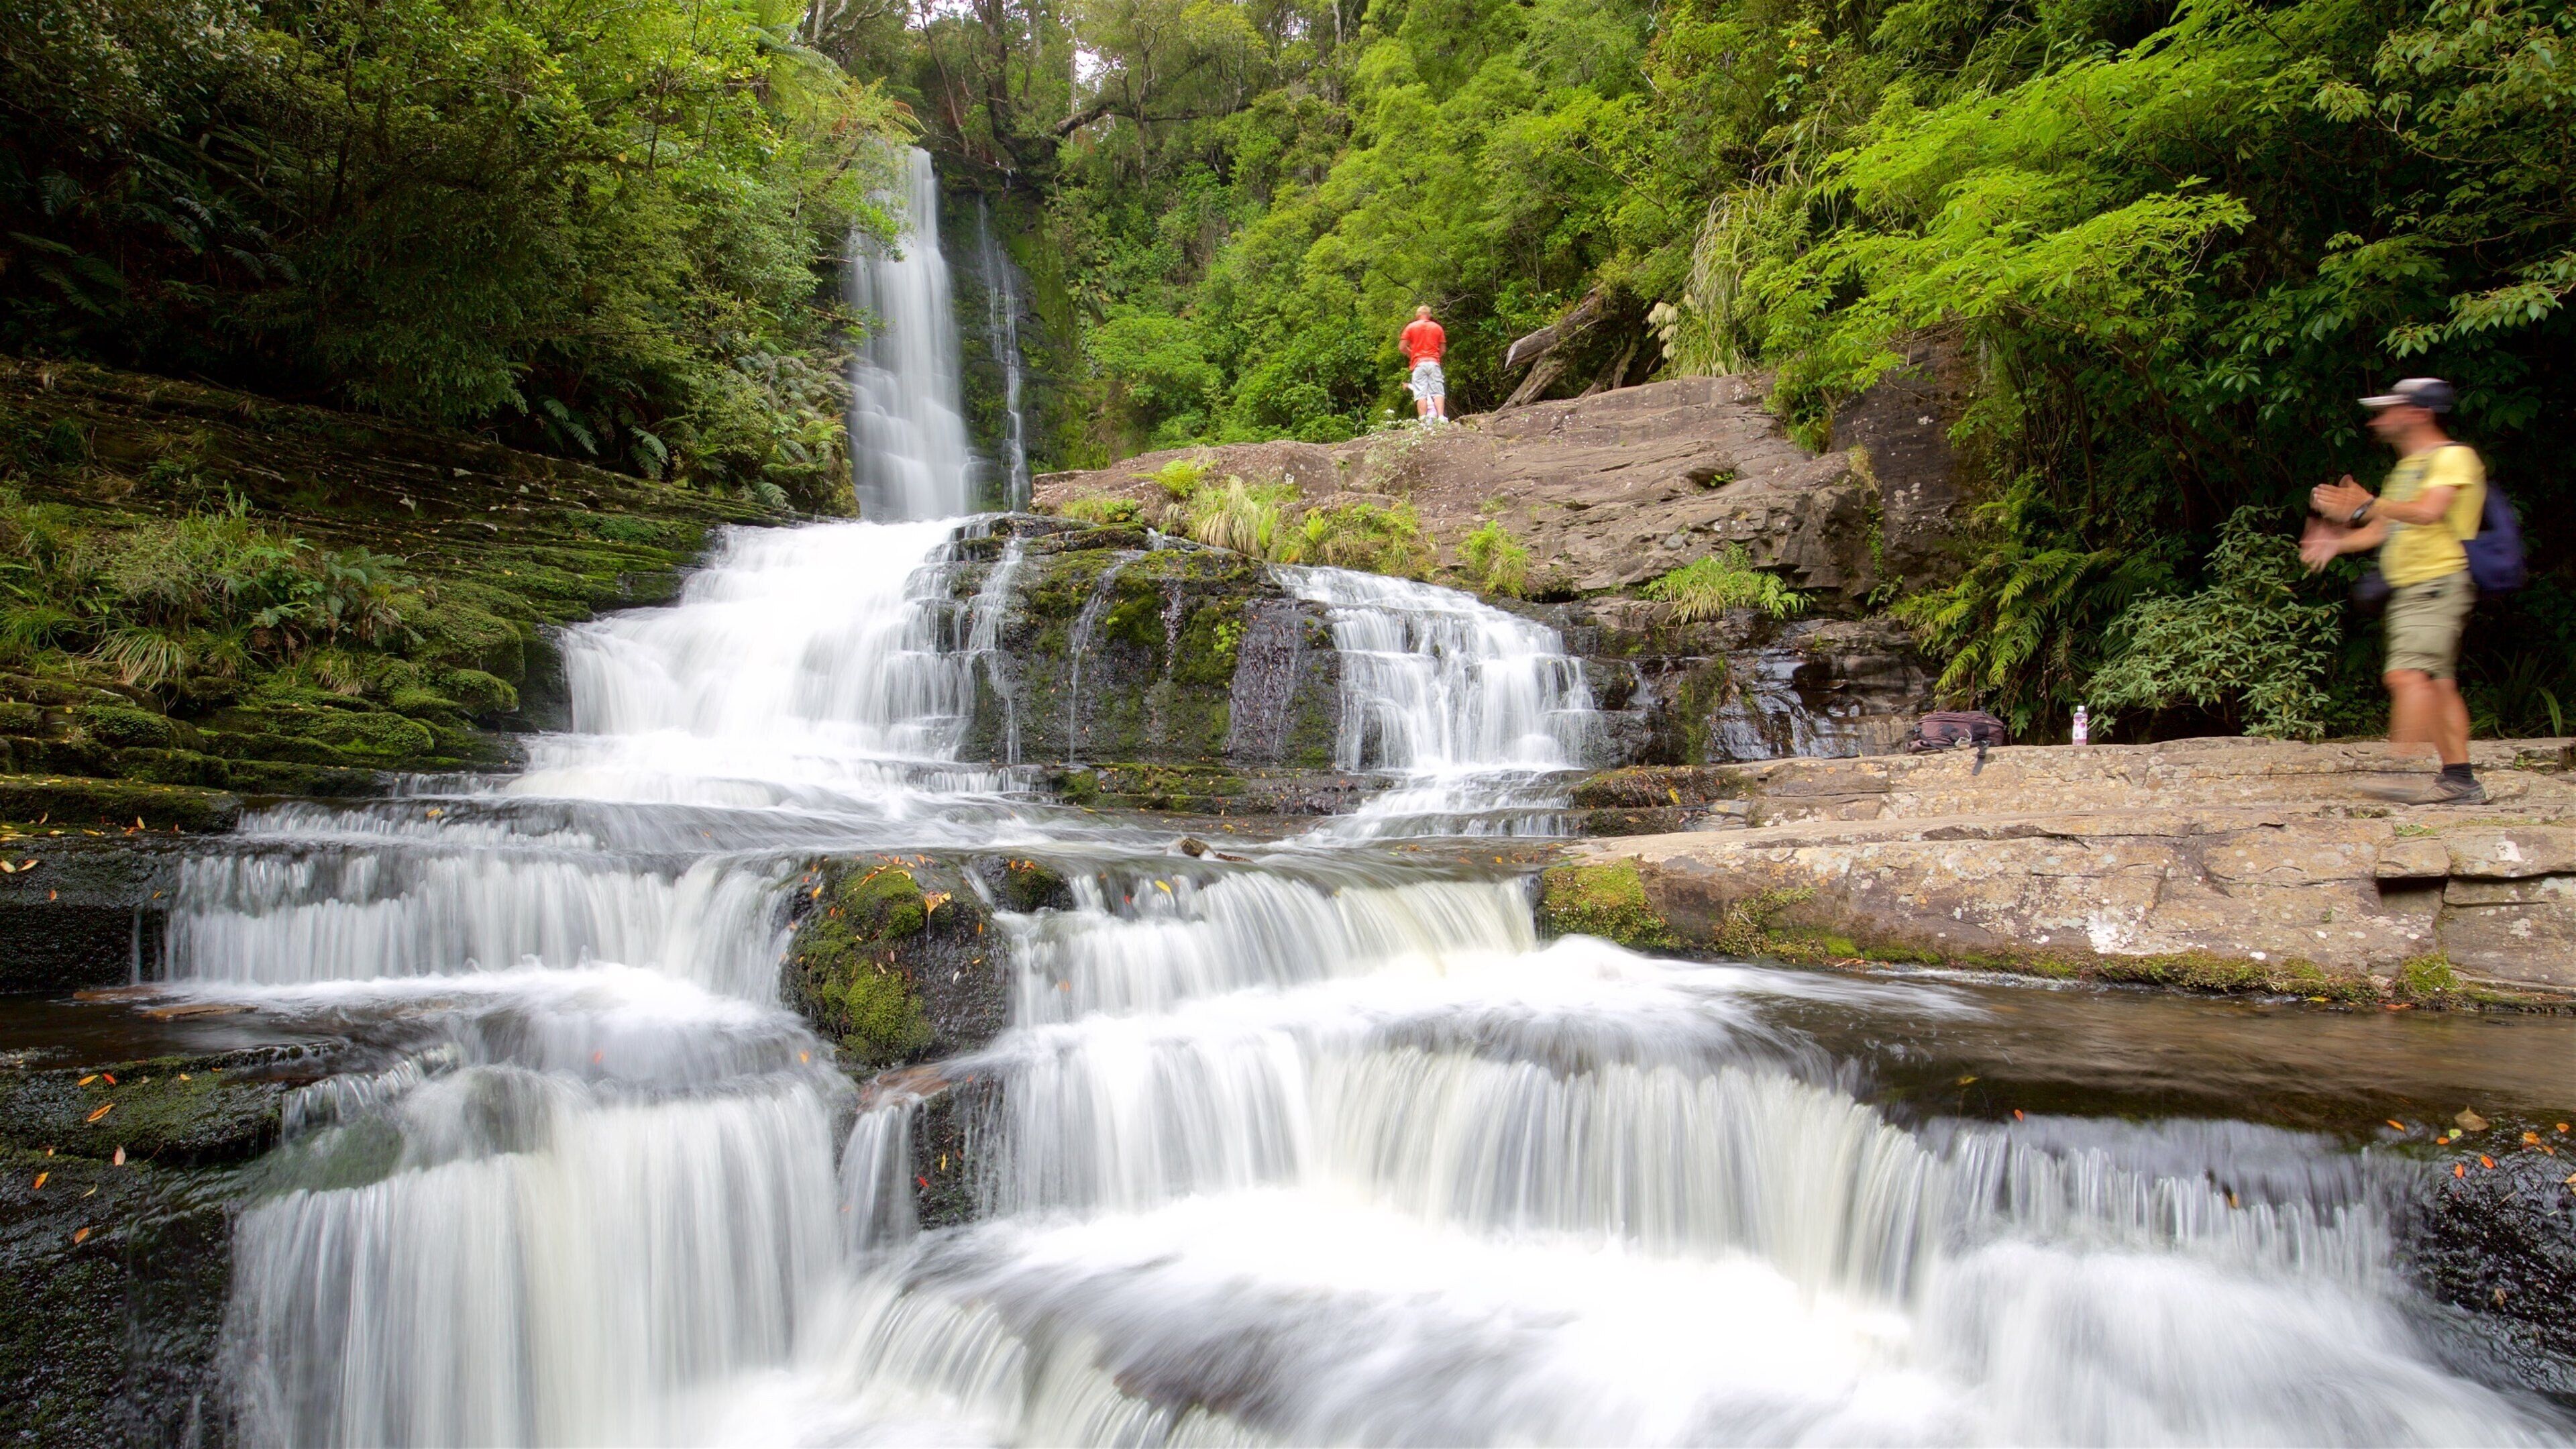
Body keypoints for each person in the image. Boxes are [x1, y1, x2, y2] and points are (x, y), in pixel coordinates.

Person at [2300, 376, 2488, 804]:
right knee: (2437, 685)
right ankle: (2460, 780)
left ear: (2419, 413)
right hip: (2414, 588)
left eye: (2390, 409)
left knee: (2407, 675)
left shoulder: (2454, 458)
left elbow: (2428, 512)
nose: (2379, 420)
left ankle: (2400, 773)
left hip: (2437, 582)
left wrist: (2366, 504)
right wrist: (2336, 542)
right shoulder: (2406, 468)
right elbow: (2386, 528)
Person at [1400, 305, 1447, 423]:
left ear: (1417, 315)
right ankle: (1441, 417)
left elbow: (1402, 347)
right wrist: (1434, 358)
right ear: (1430, 315)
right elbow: (1443, 350)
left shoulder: (1411, 327)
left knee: (1420, 393)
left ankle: (1423, 420)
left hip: (1419, 364)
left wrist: (1412, 355)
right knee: (1438, 391)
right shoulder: (1438, 328)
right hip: (1434, 362)